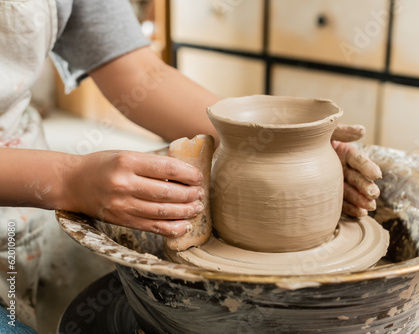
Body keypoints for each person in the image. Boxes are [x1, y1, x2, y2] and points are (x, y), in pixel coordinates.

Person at [0, 0, 381, 330]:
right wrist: (67, 179)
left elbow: (138, 73)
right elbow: (66, 178)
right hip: (37, 180)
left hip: (24, 210)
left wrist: (273, 145)